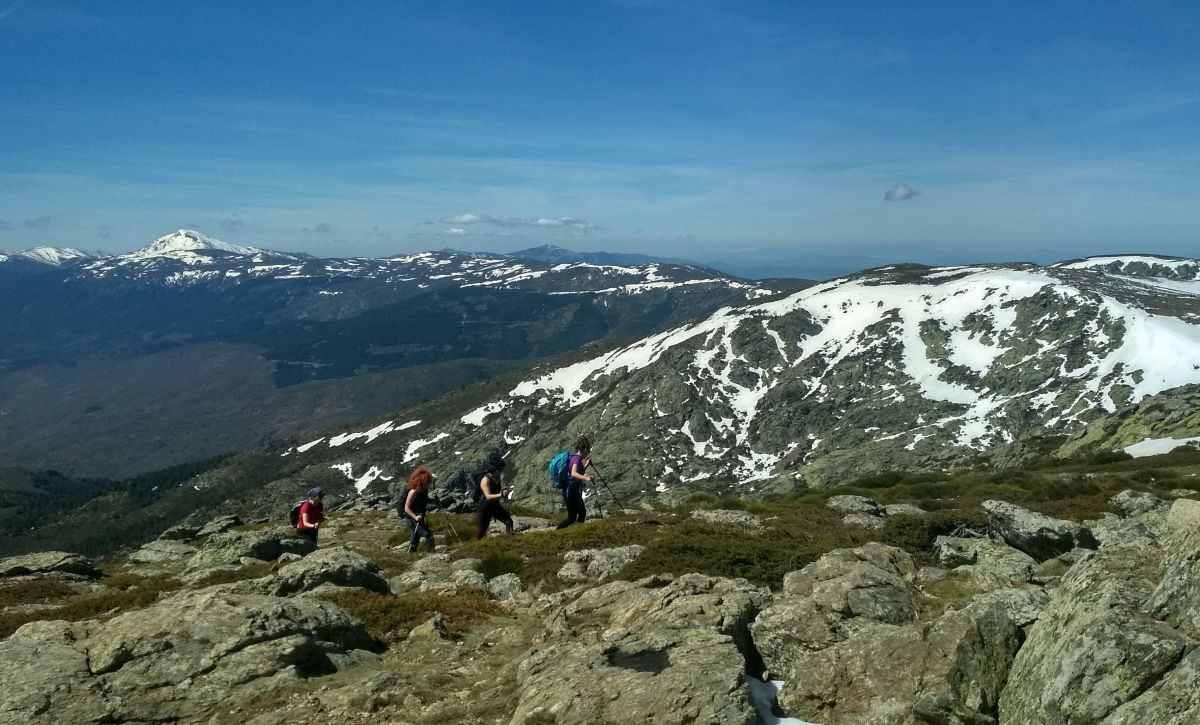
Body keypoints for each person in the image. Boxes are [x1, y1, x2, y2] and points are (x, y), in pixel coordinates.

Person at [557, 434, 594, 529]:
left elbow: (576, 472)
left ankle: (576, 530)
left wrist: (586, 465)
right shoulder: (577, 459)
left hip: (572, 490)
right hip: (570, 491)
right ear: (584, 450)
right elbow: (574, 473)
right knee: (572, 517)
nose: (588, 453)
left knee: (580, 513)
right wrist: (586, 478)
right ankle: (557, 532)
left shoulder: (574, 458)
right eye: (588, 451)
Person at [475, 452, 514, 539]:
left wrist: (504, 490)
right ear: (495, 469)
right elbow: (488, 496)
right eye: (500, 469)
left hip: (495, 505)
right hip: (484, 508)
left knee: (509, 521)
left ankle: (511, 540)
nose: (502, 471)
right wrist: (500, 495)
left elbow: (500, 487)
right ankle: (475, 545)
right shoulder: (485, 480)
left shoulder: (497, 476)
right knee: (481, 532)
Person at [403, 466, 436, 553]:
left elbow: (424, 500)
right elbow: (406, 508)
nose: (428, 483)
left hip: (419, 515)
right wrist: (415, 517)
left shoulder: (423, 490)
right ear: (422, 481)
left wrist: (434, 501)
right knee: (428, 534)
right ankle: (431, 553)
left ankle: (411, 551)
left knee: (416, 534)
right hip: (411, 517)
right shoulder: (413, 492)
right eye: (427, 481)